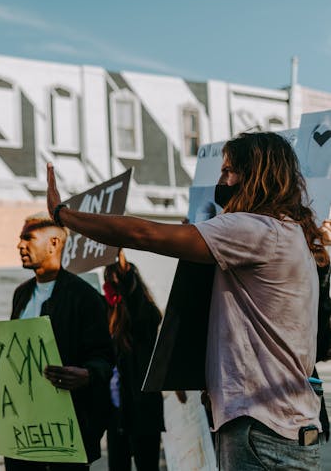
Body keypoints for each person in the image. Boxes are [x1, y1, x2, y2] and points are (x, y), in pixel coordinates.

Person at [47, 131, 330, 470]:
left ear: (255, 174)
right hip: (283, 427)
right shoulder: (288, 230)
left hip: (260, 430)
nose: (221, 181)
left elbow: (144, 234)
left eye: (228, 171)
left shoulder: (254, 229)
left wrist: (63, 215)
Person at [0, 213, 114, 470]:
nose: (20, 245)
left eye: (28, 238)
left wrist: (86, 374)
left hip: (65, 433)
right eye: (20, 239)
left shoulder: (85, 298)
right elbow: (12, 355)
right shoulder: (21, 294)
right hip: (21, 431)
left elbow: (105, 358)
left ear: (54, 244)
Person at [103, 249, 163, 471]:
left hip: (142, 410)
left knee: (147, 466)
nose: (108, 286)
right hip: (116, 413)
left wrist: (125, 271)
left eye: (112, 280)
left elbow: (140, 309)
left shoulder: (143, 316)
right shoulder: (106, 315)